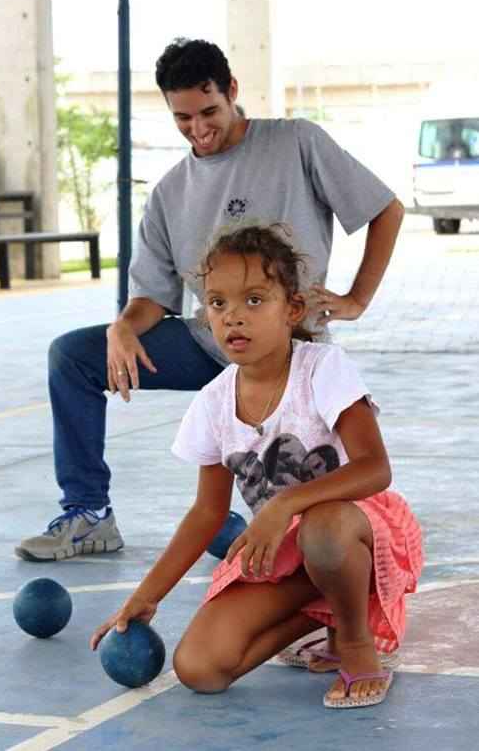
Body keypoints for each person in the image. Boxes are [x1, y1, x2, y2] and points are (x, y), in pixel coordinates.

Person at [16, 37, 405, 562]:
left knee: (296, 513)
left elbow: (387, 209)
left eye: (209, 111)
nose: (198, 129)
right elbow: (153, 296)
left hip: (284, 355)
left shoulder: (296, 143)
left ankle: (290, 530)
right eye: (182, 118)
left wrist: (358, 297)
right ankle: (89, 515)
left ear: (232, 92)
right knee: (72, 355)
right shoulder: (169, 193)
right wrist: (124, 327)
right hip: (211, 344)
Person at [90, 224, 424, 709]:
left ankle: (355, 641)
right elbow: (207, 513)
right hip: (285, 556)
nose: (233, 318)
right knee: (201, 668)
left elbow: (376, 469)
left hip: (358, 538)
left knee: (322, 527)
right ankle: (325, 613)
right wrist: (148, 594)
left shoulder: (321, 368)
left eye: (253, 300)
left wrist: (286, 502)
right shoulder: (213, 402)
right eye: (218, 303)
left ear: (291, 310)